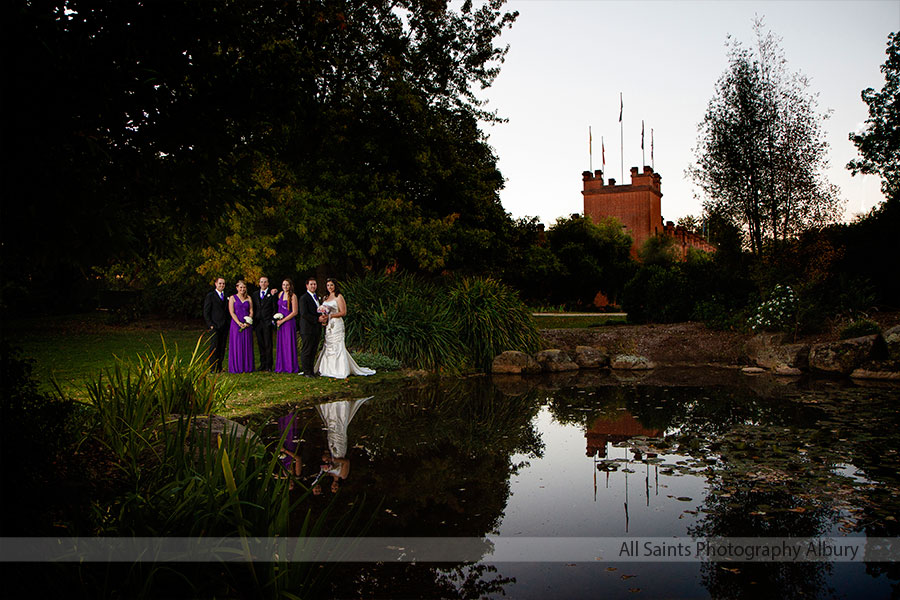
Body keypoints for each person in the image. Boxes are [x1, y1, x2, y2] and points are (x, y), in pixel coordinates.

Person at [314, 278, 375, 379]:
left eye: (331, 285)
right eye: (328, 285)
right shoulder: (325, 297)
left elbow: (343, 312)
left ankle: (340, 369)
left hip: (337, 324)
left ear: (335, 286)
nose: (329, 287)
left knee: (338, 345)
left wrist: (330, 316)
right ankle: (327, 368)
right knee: (328, 344)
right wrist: (324, 318)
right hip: (328, 324)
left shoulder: (339, 297)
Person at [311, 397, 371, 495]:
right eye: (336, 488)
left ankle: (331, 408)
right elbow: (346, 462)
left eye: (333, 488)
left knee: (331, 432)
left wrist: (326, 459)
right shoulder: (343, 475)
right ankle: (341, 406)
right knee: (339, 431)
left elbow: (324, 459)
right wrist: (333, 460)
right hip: (340, 451)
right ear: (339, 487)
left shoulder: (329, 473)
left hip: (332, 449)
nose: (334, 487)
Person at [298, 277, 326, 377]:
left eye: (314, 284)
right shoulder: (304, 298)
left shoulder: (316, 298)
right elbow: (304, 314)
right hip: (307, 329)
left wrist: (322, 318)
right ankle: (306, 372)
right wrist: (317, 319)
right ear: (307, 286)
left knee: (313, 350)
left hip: (315, 328)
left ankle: (311, 370)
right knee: (307, 350)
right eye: (311, 284)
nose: (313, 286)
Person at [227, 280, 254, 373]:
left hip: (247, 324)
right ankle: (237, 366)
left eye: (244, 287)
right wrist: (239, 323)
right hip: (236, 324)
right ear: (237, 288)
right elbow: (232, 312)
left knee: (247, 344)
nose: (242, 289)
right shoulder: (232, 298)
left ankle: (247, 366)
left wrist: (248, 321)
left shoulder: (249, 298)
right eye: (240, 287)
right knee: (237, 344)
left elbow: (251, 311)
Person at [203, 276, 229, 372]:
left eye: (223, 284)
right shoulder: (210, 296)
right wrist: (210, 324)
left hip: (224, 326)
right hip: (214, 325)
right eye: (220, 283)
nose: (222, 285)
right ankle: (212, 367)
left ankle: (219, 366)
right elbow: (206, 311)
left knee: (222, 346)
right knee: (214, 346)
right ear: (216, 284)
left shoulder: (226, 297)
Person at [252, 276, 278, 371]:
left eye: (265, 282)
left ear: (268, 283)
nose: (263, 283)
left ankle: (268, 365)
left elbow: (275, 307)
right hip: (258, 323)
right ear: (259, 283)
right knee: (260, 344)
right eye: (261, 282)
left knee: (268, 344)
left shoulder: (272, 294)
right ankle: (262, 364)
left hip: (267, 322)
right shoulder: (255, 294)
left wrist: (272, 319)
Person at [274, 279, 299, 373]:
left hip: (288, 322)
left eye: (287, 285)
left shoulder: (293, 296)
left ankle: (290, 366)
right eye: (283, 284)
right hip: (280, 322)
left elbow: (295, 312)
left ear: (290, 286)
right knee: (281, 343)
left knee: (289, 343)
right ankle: (282, 365)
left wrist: (283, 320)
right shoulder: (280, 294)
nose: (285, 286)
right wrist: (278, 319)